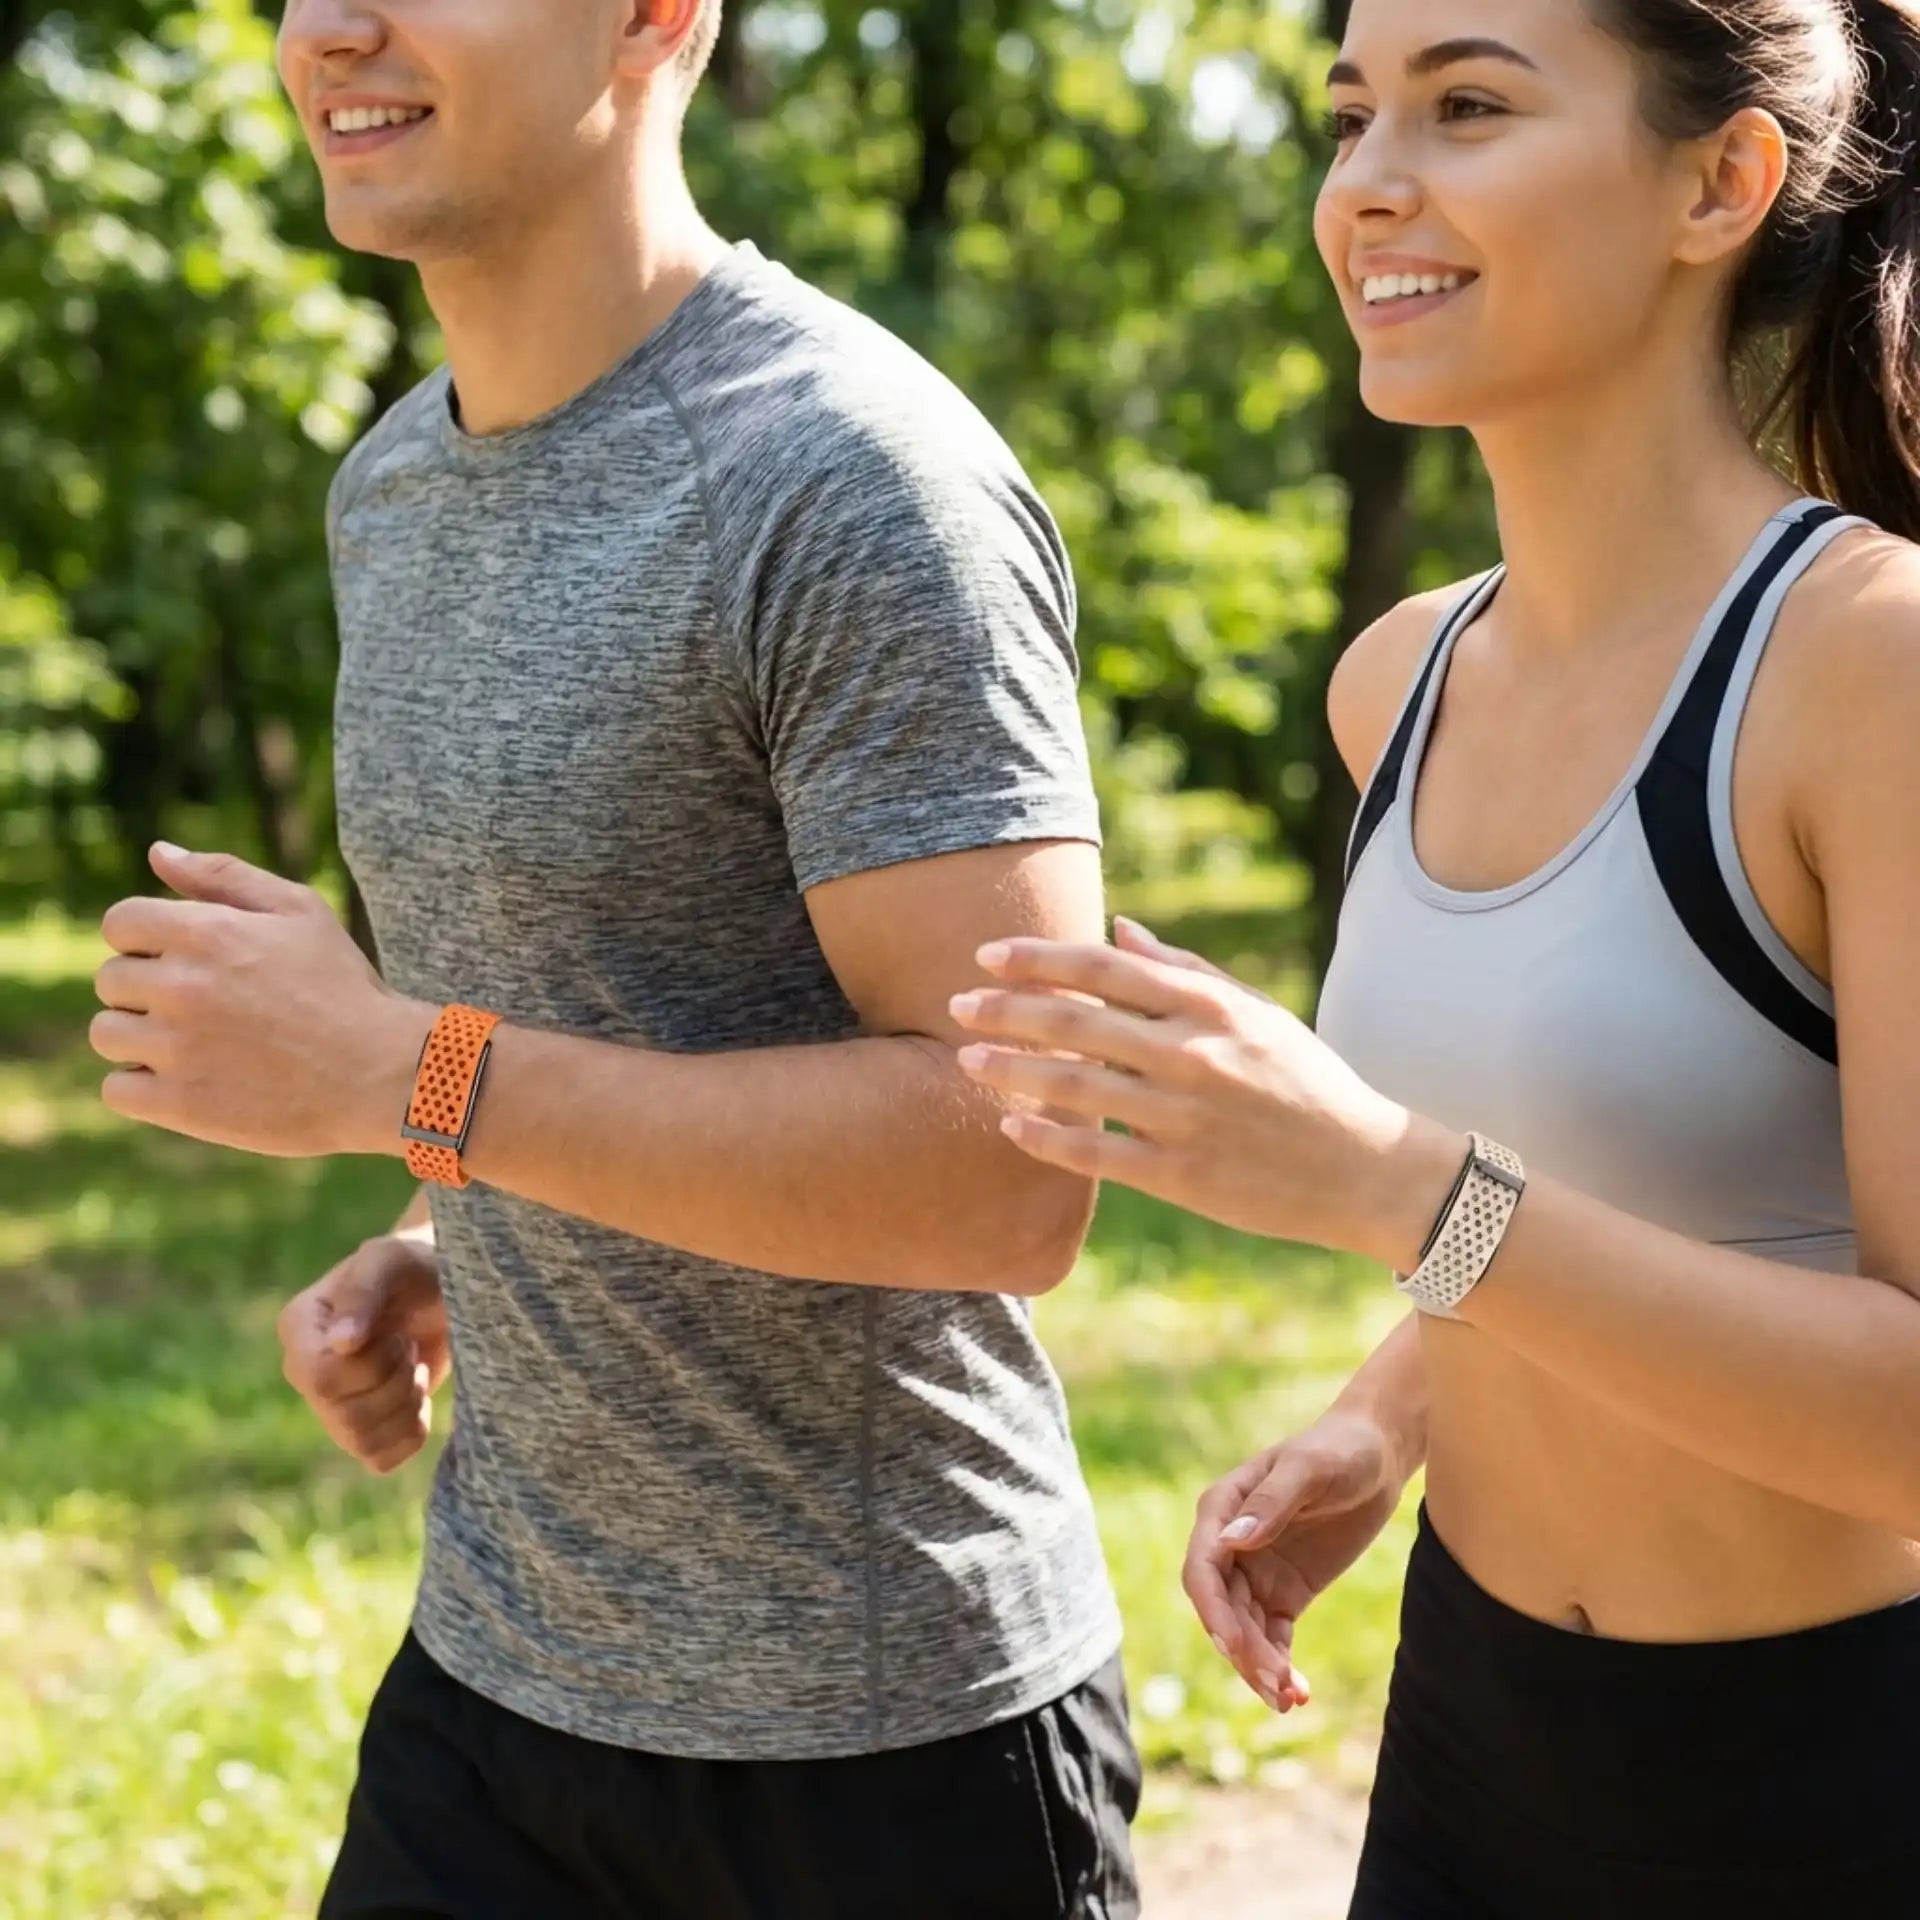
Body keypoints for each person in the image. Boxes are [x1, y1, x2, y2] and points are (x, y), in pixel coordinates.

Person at [85, 1, 1143, 1913]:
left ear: (662, 15)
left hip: (884, 1740)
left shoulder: (850, 477)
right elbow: (616, 1012)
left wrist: (400, 1081)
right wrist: (447, 1235)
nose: (332, 25)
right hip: (497, 1686)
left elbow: (1010, 1175)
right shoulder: (389, 490)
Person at [950, 0, 1920, 1912]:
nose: (1368, 184)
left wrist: (1394, 1188)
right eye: (1349, 112)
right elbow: (1623, 1184)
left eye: (1467, 105)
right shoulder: (1398, 682)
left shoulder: (1869, 670)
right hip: (1476, 1742)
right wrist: (1389, 1416)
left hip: (1838, 1780)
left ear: (1722, 181)